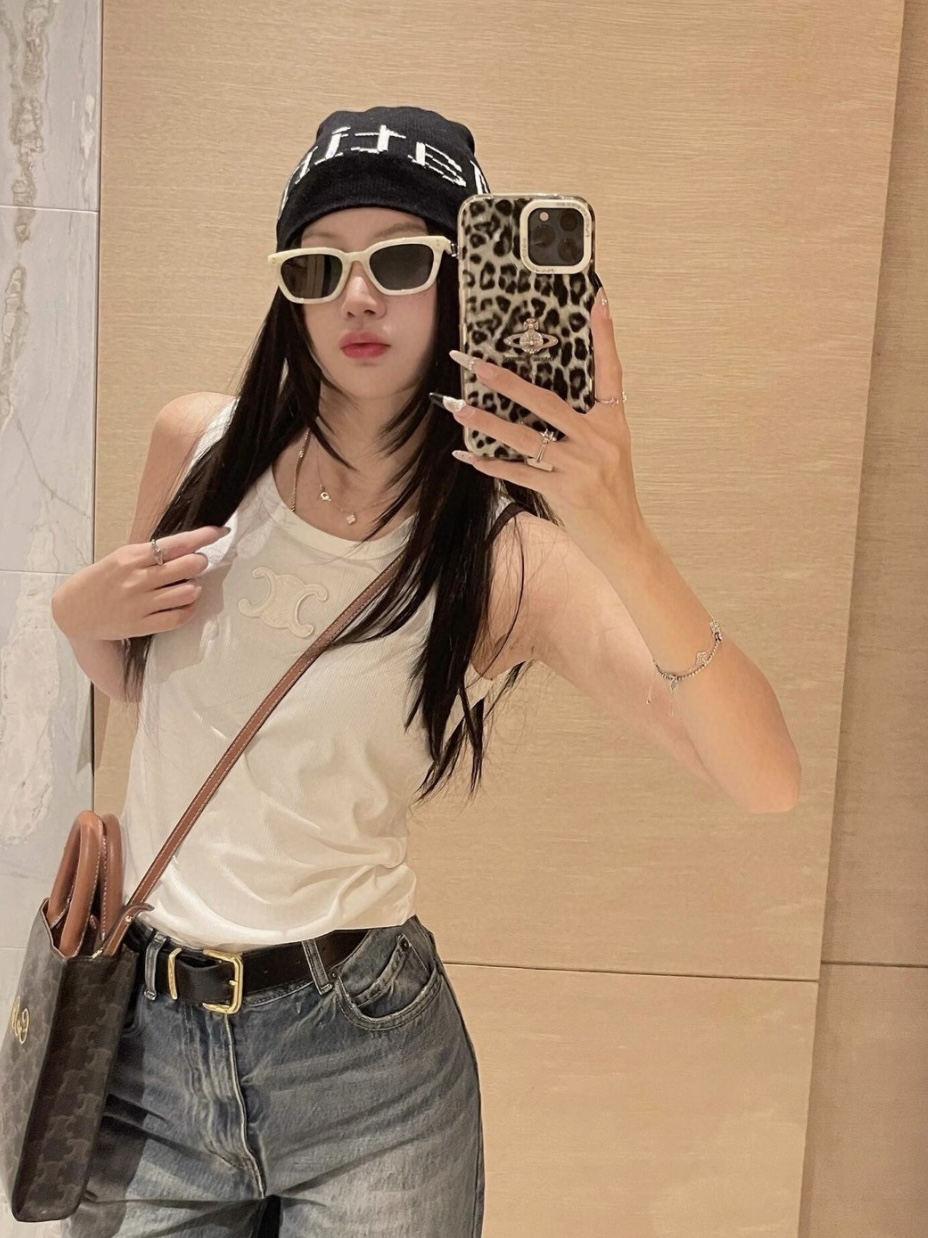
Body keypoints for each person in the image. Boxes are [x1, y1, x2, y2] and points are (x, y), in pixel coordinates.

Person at [50, 106, 800, 1237]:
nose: (358, 296)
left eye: (401, 261)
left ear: (462, 285)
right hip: (147, 1050)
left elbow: (764, 778)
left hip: (365, 1068)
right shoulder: (196, 446)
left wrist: (622, 530)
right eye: (319, 266)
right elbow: (152, 697)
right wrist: (78, 618)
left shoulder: (505, 560)